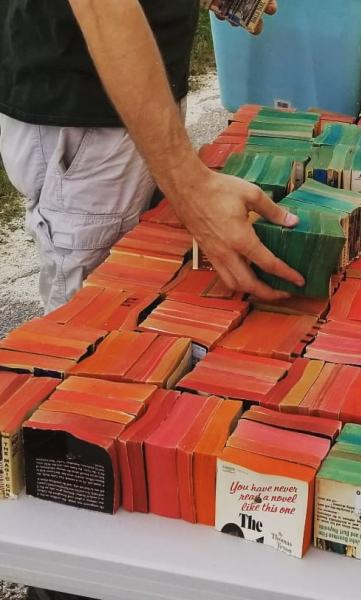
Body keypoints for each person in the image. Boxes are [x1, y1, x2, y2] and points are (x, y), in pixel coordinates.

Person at [0, 1, 304, 599]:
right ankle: (69, 581)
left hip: (116, 104)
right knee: (90, 383)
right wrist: (188, 187)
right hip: (87, 114)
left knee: (137, 355)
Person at [0, 0, 305, 315]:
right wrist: (189, 185)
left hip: (135, 95)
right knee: (94, 323)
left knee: (140, 302)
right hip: (88, 114)